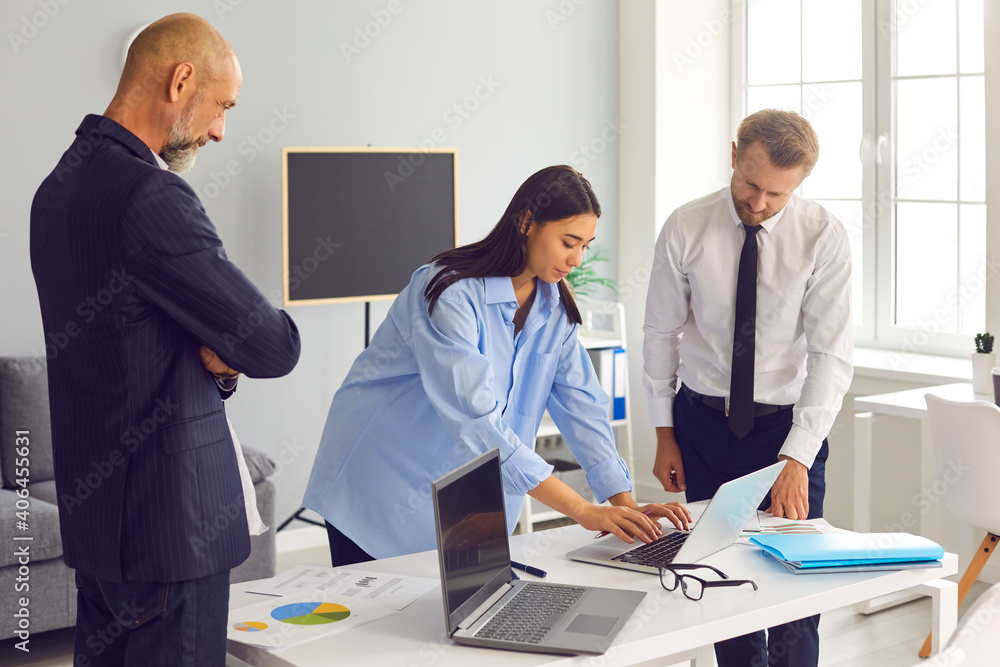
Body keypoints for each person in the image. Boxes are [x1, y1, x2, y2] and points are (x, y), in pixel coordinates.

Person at [29, 14, 301, 666]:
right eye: (221, 106)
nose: (219, 130)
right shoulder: (153, 196)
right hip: (171, 534)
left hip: (98, 526)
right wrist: (230, 351)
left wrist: (217, 358)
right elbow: (274, 343)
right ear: (182, 80)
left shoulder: (55, 191)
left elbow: (129, 341)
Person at [303, 165, 690, 566]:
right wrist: (582, 510)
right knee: (377, 616)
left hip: (467, 491)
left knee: (453, 618)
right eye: (568, 242)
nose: (575, 260)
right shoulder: (448, 294)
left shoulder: (555, 307)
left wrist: (625, 507)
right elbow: (478, 423)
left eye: (585, 246)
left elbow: (583, 406)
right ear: (526, 221)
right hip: (382, 480)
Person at [642, 109, 853, 667]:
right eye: (750, 185)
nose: (759, 203)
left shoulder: (823, 236)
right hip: (702, 425)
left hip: (785, 433)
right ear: (734, 154)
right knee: (720, 581)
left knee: (793, 591)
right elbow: (661, 334)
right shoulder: (686, 226)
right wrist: (665, 434)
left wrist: (797, 459)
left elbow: (831, 356)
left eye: (777, 195)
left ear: (800, 183)